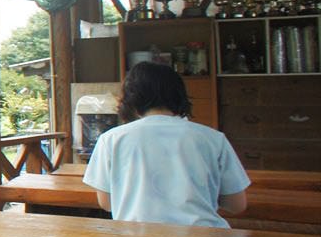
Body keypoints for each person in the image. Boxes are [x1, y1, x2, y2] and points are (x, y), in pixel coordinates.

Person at [84, 61, 249, 228]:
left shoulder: (111, 139)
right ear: (180, 96)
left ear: (131, 99)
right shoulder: (213, 138)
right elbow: (236, 205)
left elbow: (106, 203)